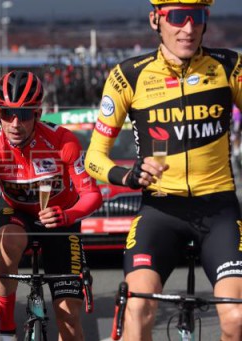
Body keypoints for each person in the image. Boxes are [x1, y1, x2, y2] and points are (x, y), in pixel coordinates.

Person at [84, 1, 242, 340]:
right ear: (156, 19)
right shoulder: (129, 74)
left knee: (237, 316)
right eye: (176, 17)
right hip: (160, 210)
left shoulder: (229, 66)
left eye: (196, 16)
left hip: (219, 211)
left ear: (205, 20)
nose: (188, 28)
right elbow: (94, 157)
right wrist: (127, 176)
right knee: (136, 307)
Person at [0, 70, 102, 341]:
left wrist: (68, 215)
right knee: (6, 242)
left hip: (60, 221)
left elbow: (92, 195)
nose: (15, 123)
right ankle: (6, 331)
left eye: (25, 114)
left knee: (68, 319)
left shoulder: (63, 142)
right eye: (7, 113)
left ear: (39, 113)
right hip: (17, 215)